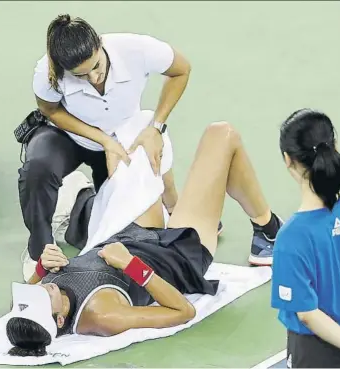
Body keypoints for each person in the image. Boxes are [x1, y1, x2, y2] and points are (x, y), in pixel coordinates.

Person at [6, 121, 283, 356]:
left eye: (34, 293)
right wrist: (130, 265)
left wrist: (42, 267)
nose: (41, 289)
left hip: (131, 233)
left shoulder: (43, 296)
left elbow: (31, 290)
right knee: (222, 135)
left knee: (141, 135)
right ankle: (267, 230)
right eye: (42, 297)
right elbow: (182, 311)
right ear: (61, 319)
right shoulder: (103, 316)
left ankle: (175, 205)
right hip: (177, 253)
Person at [18, 13, 215, 281]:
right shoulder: (47, 71)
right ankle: (38, 251)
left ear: (100, 44)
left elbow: (181, 69)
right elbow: (50, 109)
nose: (93, 78)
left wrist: (155, 127)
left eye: (97, 66)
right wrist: (103, 140)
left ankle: (76, 200)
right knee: (37, 170)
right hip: (69, 137)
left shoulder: (136, 49)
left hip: (122, 136)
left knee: (118, 228)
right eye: (81, 76)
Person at [270, 109, 340, 368]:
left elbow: (308, 315)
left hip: (317, 354)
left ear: (287, 160)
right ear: (333, 147)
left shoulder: (291, 239)